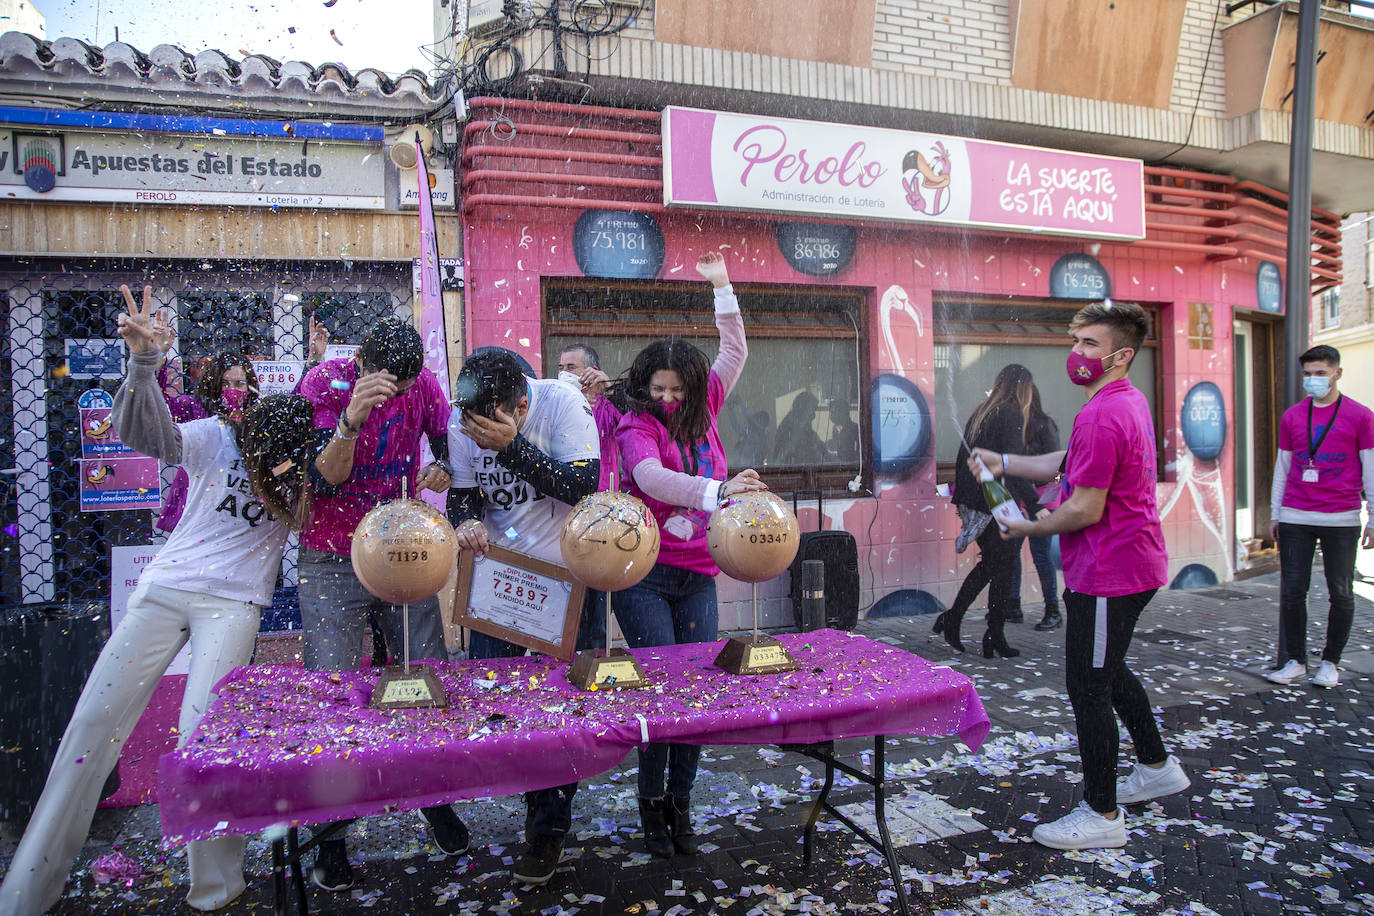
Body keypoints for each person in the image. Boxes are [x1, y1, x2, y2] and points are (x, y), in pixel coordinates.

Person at [0, 285, 316, 915]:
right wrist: (142, 364)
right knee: (94, 722)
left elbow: (314, 508)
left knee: (205, 736)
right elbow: (148, 435)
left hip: (233, 605)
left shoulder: (296, 467)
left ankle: (217, 887)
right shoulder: (212, 438)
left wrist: (295, 460)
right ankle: (27, 890)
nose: (240, 397)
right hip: (166, 587)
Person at [974, 300, 1189, 851]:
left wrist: (1025, 526)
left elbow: (1085, 507)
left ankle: (1102, 815)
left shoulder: (1102, 411)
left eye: (1089, 344)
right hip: (1131, 565)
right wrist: (1005, 461)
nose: (1076, 354)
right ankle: (1157, 766)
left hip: (1108, 573)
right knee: (1110, 671)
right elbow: (1068, 464)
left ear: (1121, 354)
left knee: (1088, 686)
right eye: (1075, 342)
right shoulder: (1124, 401)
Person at [297, 316, 465, 891]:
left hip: (402, 545)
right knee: (334, 685)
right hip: (332, 552)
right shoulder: (324, 384)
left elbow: (445, 447)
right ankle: (331, 835)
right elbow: (323, 481)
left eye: (407, 384)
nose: (400, 394)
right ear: (363, 365)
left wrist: (442, 467)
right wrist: (351, 420)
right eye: (387, 382)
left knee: (422, 672)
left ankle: (431, 793)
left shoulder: (423, 386)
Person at [614, 251, 767, 858]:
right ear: (645, 387)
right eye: (660, 389)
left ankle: (681, 803)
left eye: (679, 389)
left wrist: (723, 286)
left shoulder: (707, 408)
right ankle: (651, 805)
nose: (670, 398)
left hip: (700, 575)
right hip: (643, 574)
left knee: (697, 693)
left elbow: (734, 351)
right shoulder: (636, 424)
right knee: (661, 689)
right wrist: (718, 492)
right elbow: (649, 478)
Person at [446, 348, 601, 885]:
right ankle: (530, 801)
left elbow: (583, 487)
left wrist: (513, 449)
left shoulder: (563, 405)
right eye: (472, 423)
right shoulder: (463, 418)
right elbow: (463, 497)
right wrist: (464, 520)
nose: (477, 430)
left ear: (518, 403)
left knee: (563, 704)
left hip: (568, 574)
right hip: (501, 579)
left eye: (492, 421)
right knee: (503, 700)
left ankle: (549, 827)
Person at [1265, 344, 1374, 689]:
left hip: (1341, 518)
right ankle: (1296, 661)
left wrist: (1373, 517)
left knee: (1341, 593)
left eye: (1320, 373)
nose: (1313, 380)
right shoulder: (1293, 416)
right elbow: (1282, 468)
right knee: (1293, 591)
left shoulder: (1361, 416)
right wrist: (1276, 512)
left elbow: (1371, 469)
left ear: (1337, 373)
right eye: (1308, 374)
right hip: (1296, 514)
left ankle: (1331, 662)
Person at [932, 364, 1043, 658]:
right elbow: (1014, 466)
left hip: (976, 500)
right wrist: (1033, 504)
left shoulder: (984, 411)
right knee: (1000, 564)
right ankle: (978, 628)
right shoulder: (1010, 414)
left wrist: (966, 500)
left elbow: (964, 459)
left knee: (996, 565)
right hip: (990, 501)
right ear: (1023, 388)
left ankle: (982, 630)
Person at [1008, 384, 1063, 630]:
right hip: (1021, 495)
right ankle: (1013, 606)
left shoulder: (1044, 424)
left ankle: (1053, 610)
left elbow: (1053, 465)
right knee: (1011, 551)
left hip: (1043, 498)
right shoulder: (1013, 426)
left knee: (1041, 554)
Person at [769, 390, 825, 465]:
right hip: (792, 469)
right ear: (803, 408)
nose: (814, 415)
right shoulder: (792, 425)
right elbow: (798, 447)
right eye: (812, 409)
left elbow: (813, 442)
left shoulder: (801, 423)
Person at [827, 398, 860, 463]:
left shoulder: (854, 429)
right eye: (830, 412)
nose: (830, 415)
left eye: (833, 412)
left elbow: (853, 454)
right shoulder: (835, 428)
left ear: (842, 412)